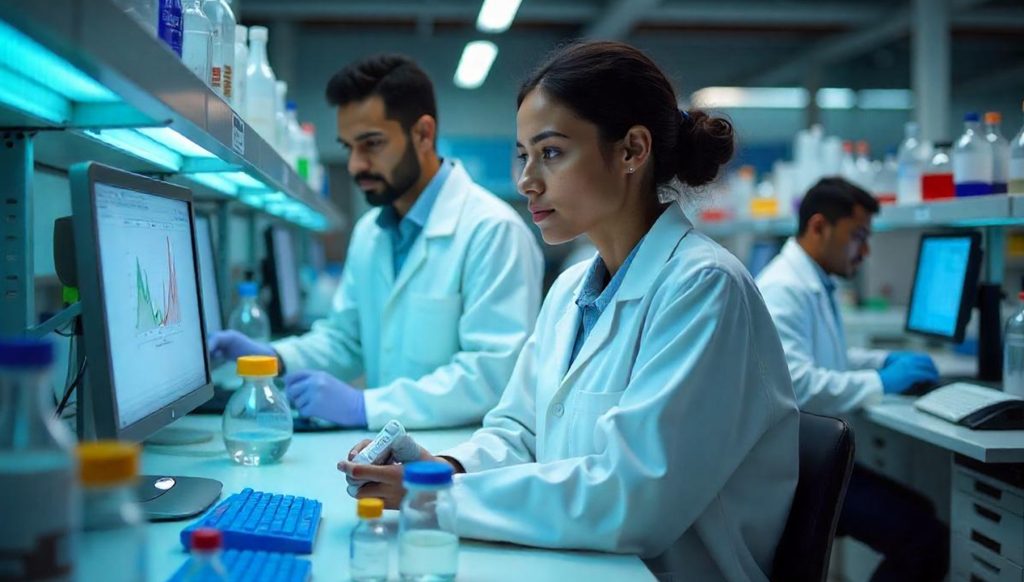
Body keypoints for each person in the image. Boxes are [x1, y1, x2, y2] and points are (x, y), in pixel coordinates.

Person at [339, 40, 799, 581]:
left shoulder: (704, 288)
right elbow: (520, 432)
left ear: (631, 150)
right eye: (522, 155)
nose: (526, 180)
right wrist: (444, 468)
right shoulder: (571, 290)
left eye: (551, 152)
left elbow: (634, 500)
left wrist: (438, 497)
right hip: (579, 561)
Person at [208, 54, 544, 430]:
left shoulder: (493, 231)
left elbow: (492, 376)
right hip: (387, 453)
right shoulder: (371, 232)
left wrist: (364, 406)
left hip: (461, 461)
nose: (355, 165)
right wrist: (273, 356)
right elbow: (346, 340)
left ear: (423, 134)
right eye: (349, 147)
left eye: (371, 144)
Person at [756, 177, 948, 581]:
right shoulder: (783, 289)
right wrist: (883, 382)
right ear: (819, 227)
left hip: (810, 458)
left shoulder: (812, 282)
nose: (865, 251)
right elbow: (799, 385)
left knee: (923, 519)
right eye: (858, 236)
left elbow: (829, 357)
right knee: (924, 538)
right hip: (796, 473)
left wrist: (882, 360)